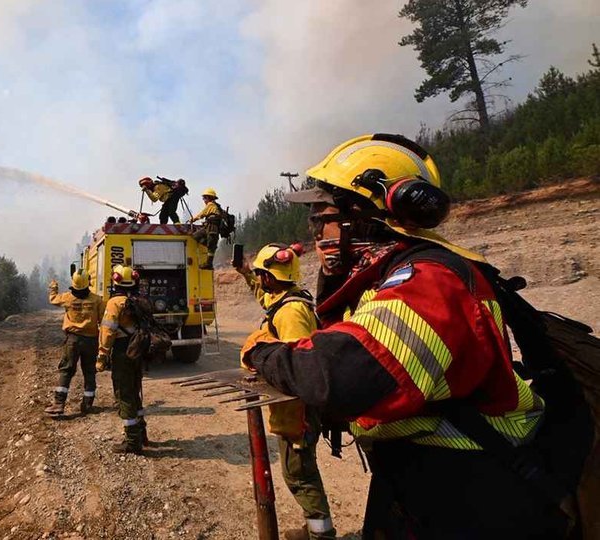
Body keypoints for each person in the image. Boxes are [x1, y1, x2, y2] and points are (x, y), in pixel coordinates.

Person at [242, 134, 581, 538]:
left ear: (364, 215)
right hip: (421, 475)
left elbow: (343, 374)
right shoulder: (389, 277)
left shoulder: (430, 280)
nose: (317, 232)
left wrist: (262, 353)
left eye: (324, 217)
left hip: (472, 489)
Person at [237, 243, 336, 540]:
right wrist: (244, 273)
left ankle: (321, 533)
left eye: (260, 275)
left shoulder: (291, 312)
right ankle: (313, 528)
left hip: (298, 410)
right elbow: (266, 299)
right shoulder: (287, 298)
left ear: (269, 277)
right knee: (300, 470)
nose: (260, 281)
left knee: (298, 473)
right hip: (296, 407)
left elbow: (297, 365)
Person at [96, 264, 149, 454]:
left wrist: (102, 356)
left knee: (124, 394)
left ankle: (133, 442)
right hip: (138, 350)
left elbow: (108, 332)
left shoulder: (114, 303)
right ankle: (142, 434)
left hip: (122, 351)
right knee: (135, 390)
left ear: (115, 280)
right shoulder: (139, 300)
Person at [44, 270, 105, 416]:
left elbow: (53, 300)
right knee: (90, 371)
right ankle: (88, 404)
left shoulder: (67, 298)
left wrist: (53, 287)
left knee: (66, 370)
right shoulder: (97, 300)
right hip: (91, 340)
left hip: (73, 340)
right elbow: (103, 321)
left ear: (74, 283)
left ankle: (59, 404)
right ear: (88, 282)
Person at [187, 188, 223, 269]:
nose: (203, 200)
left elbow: (202, 214)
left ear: (208, 198)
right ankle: (210, 251)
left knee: (210, 246)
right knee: (196, 236)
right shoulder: (215, 206)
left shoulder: (211, 205)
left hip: (212, 229)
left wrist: (193, 219)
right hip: (209, 227)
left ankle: (209, 264)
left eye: (204, 198)